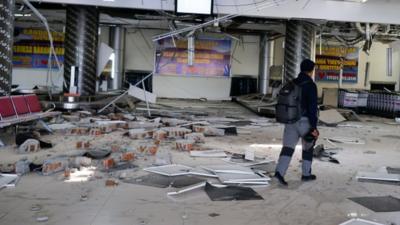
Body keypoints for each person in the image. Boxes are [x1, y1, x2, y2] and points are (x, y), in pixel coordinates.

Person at [274, 59, 319, 186]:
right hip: (305, 121)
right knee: (308, 148)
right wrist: (314, 127)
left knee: (287, 148)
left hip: (290, 120)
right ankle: (306, 174)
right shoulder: (310, 85)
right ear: (312, 70)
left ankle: (279, 173)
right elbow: (312, 108)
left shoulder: (292, 83)